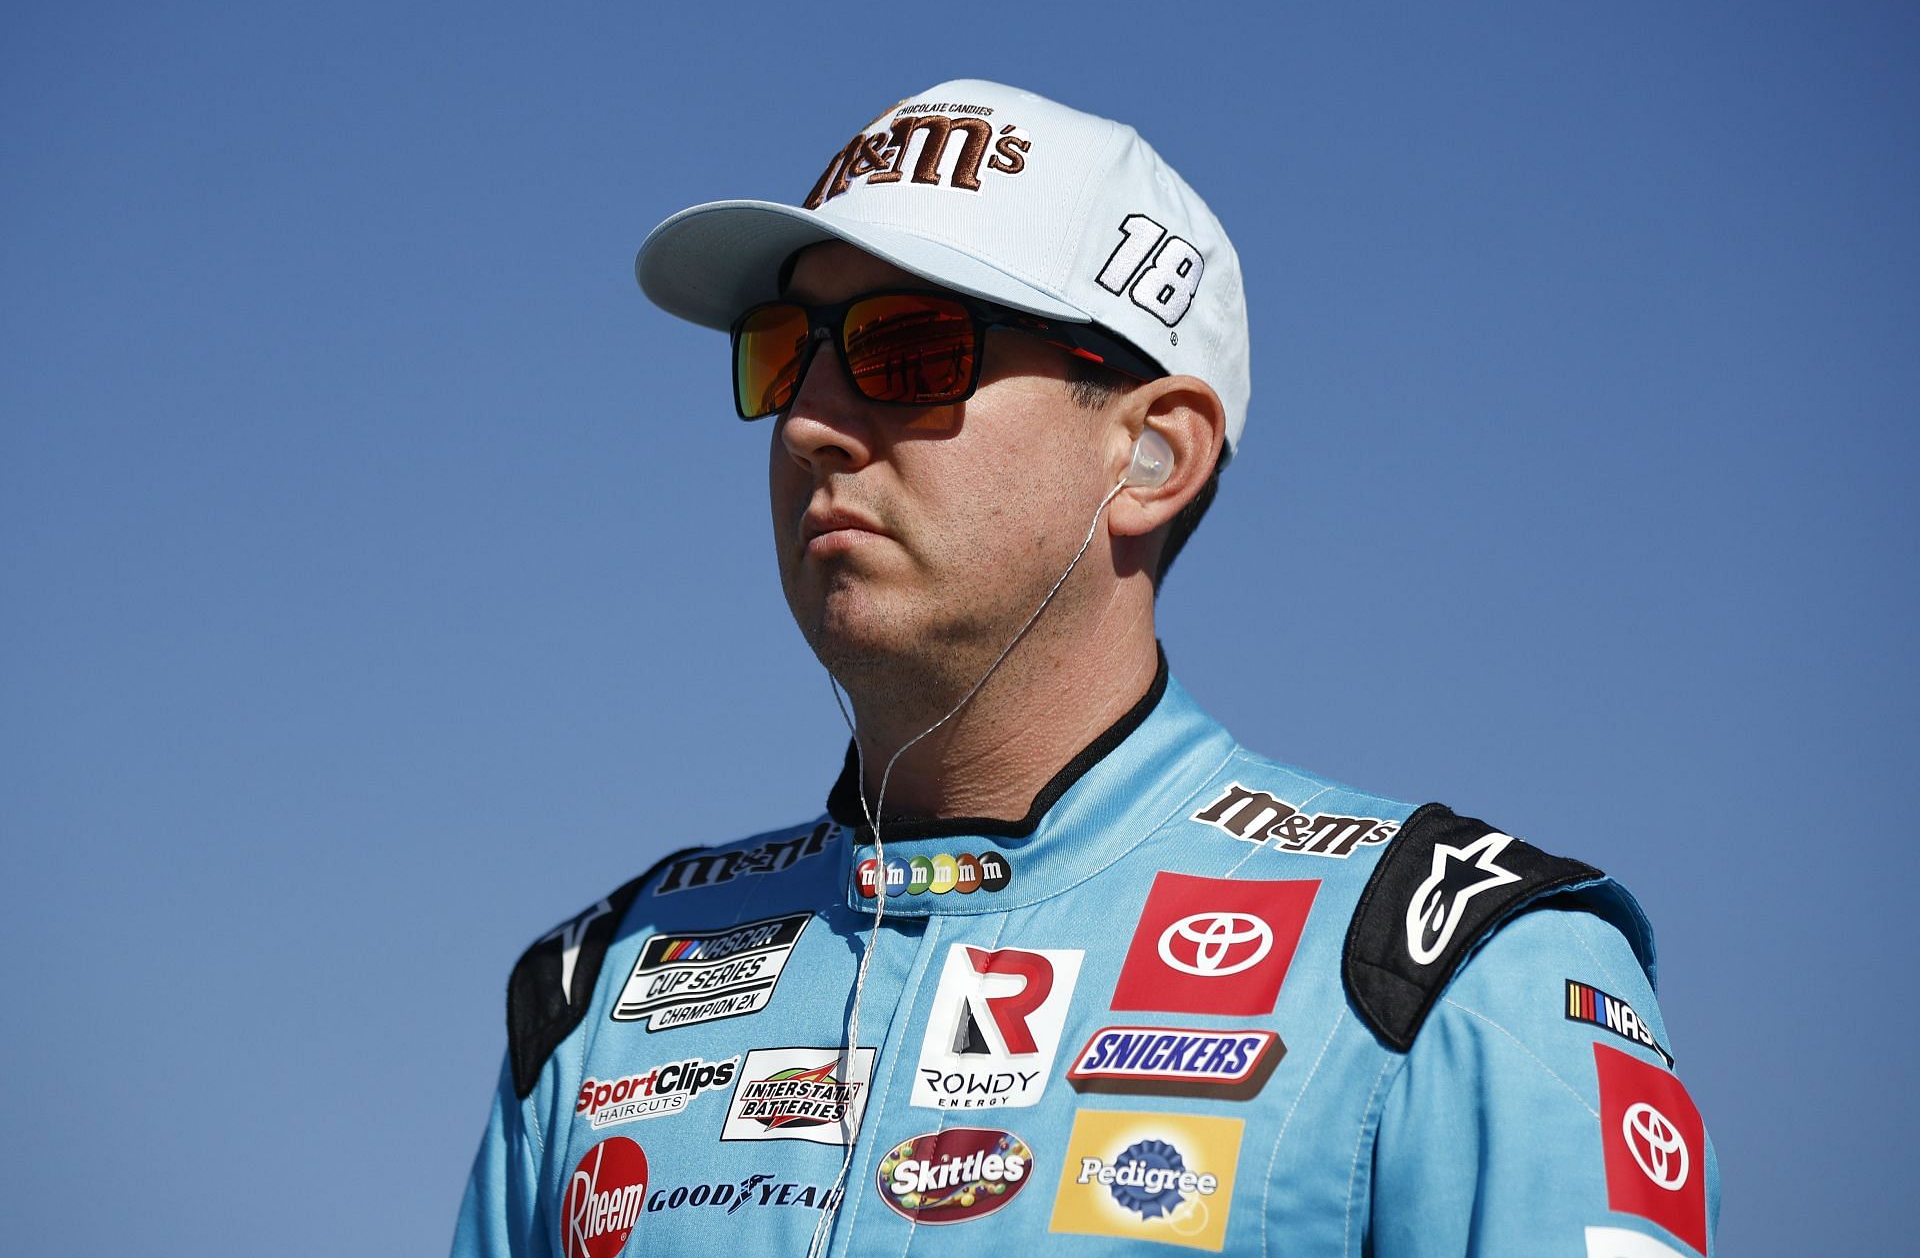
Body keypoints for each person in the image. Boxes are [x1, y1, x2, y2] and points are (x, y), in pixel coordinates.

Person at [451, 79, 1718, 1258]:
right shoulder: (598, 993)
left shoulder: (1451, 971)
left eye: (908, 349)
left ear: (1154, 455)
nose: (809, 424)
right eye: (789, 350)